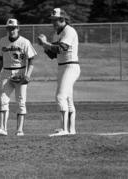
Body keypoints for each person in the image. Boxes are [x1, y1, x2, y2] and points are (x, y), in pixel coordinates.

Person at [0, 18, 37, 136]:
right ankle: (2, 128)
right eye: (9, 28)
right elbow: (0, 59)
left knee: (21, 101)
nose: (11, 30)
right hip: (6, 72)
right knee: (2, 99)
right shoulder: (2, 41)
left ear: (18, 28)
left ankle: (19, 130)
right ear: (7, 29)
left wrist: (28, 75)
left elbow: (31, 60)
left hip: (20, 73)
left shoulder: (25, 42)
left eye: (14, 28)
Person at [37, 8, 80, 136]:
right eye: (53, 20)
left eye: (56, 20)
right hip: (62, 66)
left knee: (60, 96)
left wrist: (45, 43)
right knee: (68, 99)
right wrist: (43, 45)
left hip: (71, 66)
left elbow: (61, 49)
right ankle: (71, 130)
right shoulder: (57, 34)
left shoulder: (69, 31)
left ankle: (63, 129)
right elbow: (53, 54)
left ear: (63, 19)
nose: (53, 22)